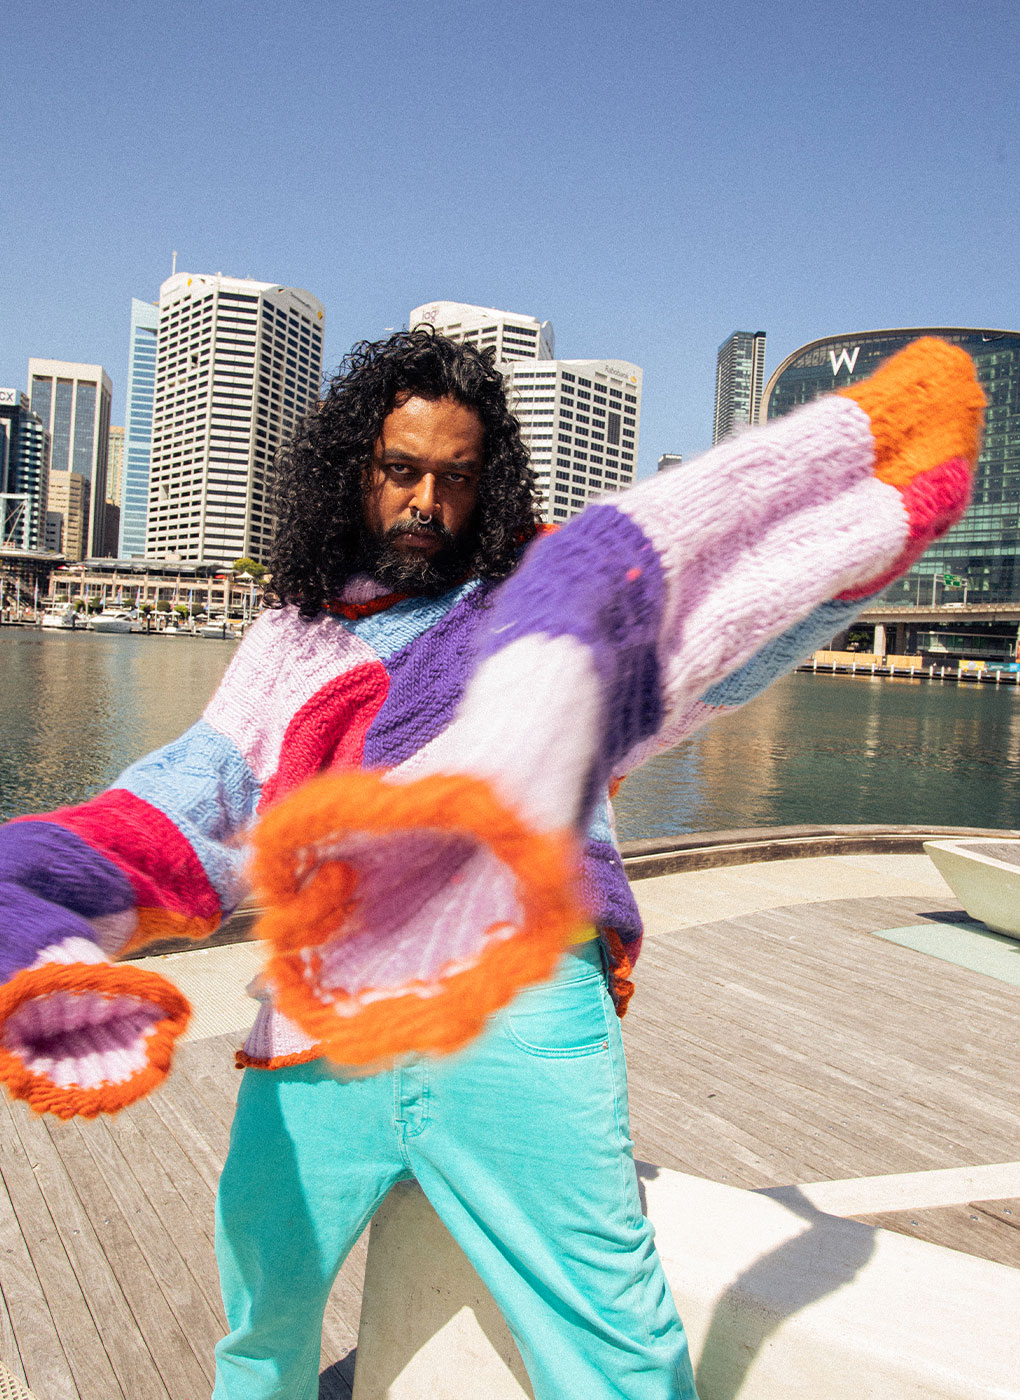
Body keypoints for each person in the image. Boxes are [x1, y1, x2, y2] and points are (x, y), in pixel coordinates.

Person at [0, 330, 984, 1399]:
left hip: (521, 1006)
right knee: (262, 1312)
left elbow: (722, 628)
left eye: (455, 476)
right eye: (402, 469)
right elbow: (193, 799)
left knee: (610, 1337)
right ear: (354, 470)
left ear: (487, 484)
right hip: (318, 1030)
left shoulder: (541, 606)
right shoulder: (287, 640)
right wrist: (44, 892)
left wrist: (869, 528)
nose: (426, 498)